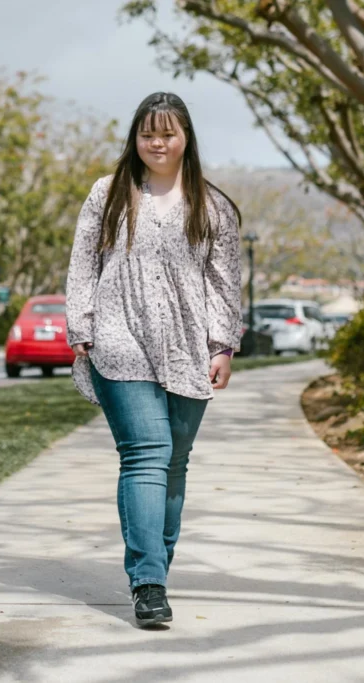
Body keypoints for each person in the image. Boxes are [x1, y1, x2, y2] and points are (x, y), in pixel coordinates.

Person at [65, 92, 243, 628]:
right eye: (147, 133)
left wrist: (222, 345)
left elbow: (224, 282)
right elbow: (82, 263)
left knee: (175, 462)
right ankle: (148, 582)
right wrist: (84, 328)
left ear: (185, 136)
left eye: (166, 132)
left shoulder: (213, 206)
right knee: (148, 452)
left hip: (190, 346)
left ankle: (155, 566)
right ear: (135, 139)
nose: (156, 142)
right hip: (119, 342)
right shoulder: (109, 194)